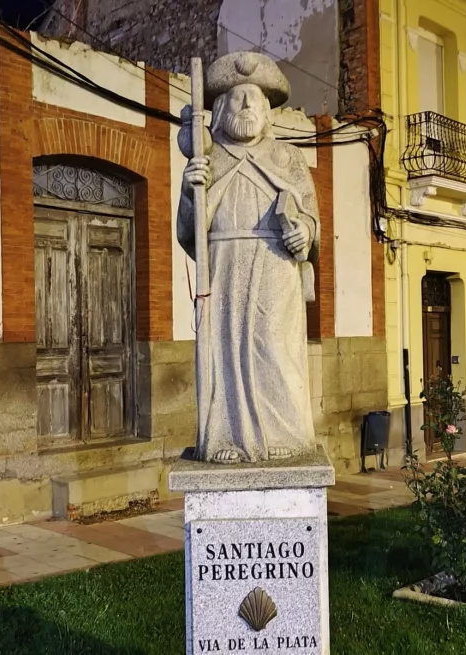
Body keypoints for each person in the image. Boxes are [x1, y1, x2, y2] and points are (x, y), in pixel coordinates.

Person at [177, 51, 319, 464]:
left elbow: (310, 214)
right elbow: (189, 232)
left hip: (275, 267)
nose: (245, 105)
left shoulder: (287, 158)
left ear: (267, 111)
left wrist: (304, 232)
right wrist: (190, 190)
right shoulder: (209, 159)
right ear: (220, 109)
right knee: (224, 351)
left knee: (273, 348)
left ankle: (285, 434)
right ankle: (226, 437)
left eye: (253, 98)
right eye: (237, 98)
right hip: (224, 266)